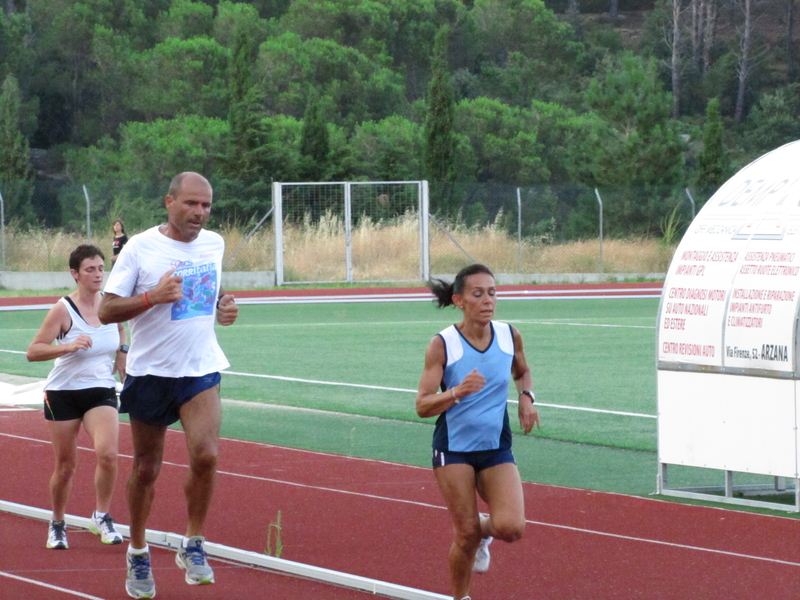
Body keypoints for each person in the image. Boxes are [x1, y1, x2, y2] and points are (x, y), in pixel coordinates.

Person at [98, 172, 239, 600]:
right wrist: (150, 298)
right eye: (192, 204)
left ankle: (192, 544)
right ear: (169, 202)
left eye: (207, 206)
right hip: (150, 374)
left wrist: (223, 306)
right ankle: (138, 551)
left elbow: (209, 291)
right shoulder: (141, 247)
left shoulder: (214, 244)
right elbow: (106, 311)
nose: (200, 213)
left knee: (207, 456)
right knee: (146, 468)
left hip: (199, 369)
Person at [415, 264, 540, 600]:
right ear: (459, 300)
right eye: (478, 293)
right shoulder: (443, 344)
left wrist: (526, 398)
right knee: (465, 533)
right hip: (453, 448)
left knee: (511, 528)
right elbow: (422, 405)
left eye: (493, 292)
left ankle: (486, 532)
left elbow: (523, 372)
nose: (488, 300)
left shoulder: (509, 335)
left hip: (495, 446)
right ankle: (461, 597)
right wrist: (456, 391)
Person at [26, 244, 127, 550]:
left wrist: (122, 353)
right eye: (90, 269)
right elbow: (34, 351)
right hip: (63, 392)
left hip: (100, 389)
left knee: (108, 453)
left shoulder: (110, 303)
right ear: (75, 274)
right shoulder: (62, 310)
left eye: (100, 268)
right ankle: (57, 523)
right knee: (66, 465)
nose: (97, 274)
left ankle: (102, 515)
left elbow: (120, 329)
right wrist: (66, 346)